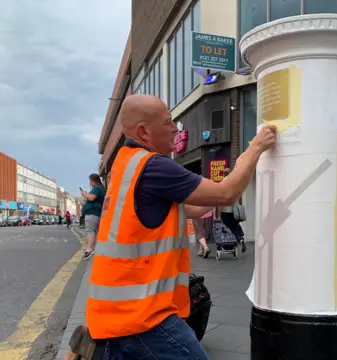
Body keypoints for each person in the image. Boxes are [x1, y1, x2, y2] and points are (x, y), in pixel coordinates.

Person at [85, 94, 276, 359]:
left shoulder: (125, 164)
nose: (176, 128)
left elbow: (197, 206)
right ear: (144, 131)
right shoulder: (154, 167)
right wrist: (255, 149)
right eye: (168, 122)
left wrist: (228, 184)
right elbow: (225, 194)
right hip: (141, 318)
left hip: (119, 313)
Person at [217, 167, 247, 252]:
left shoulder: (223, 183)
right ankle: (240, 239)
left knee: (227, 228)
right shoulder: (235, 183)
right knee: (235, 225)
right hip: (235, 211)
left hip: (225, 211)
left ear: (223, 174)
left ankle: (231, 244)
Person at [81, 173, 106, 260]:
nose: (90, 183)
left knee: (90, 231)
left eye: (90, 181)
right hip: (96, 213)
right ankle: (94, 248)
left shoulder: (97, 188)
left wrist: (85, 195)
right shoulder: (100, 188)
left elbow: (91, 198)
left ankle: (89, 249)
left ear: (92, 181)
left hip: (92, 213)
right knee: (94, 231)